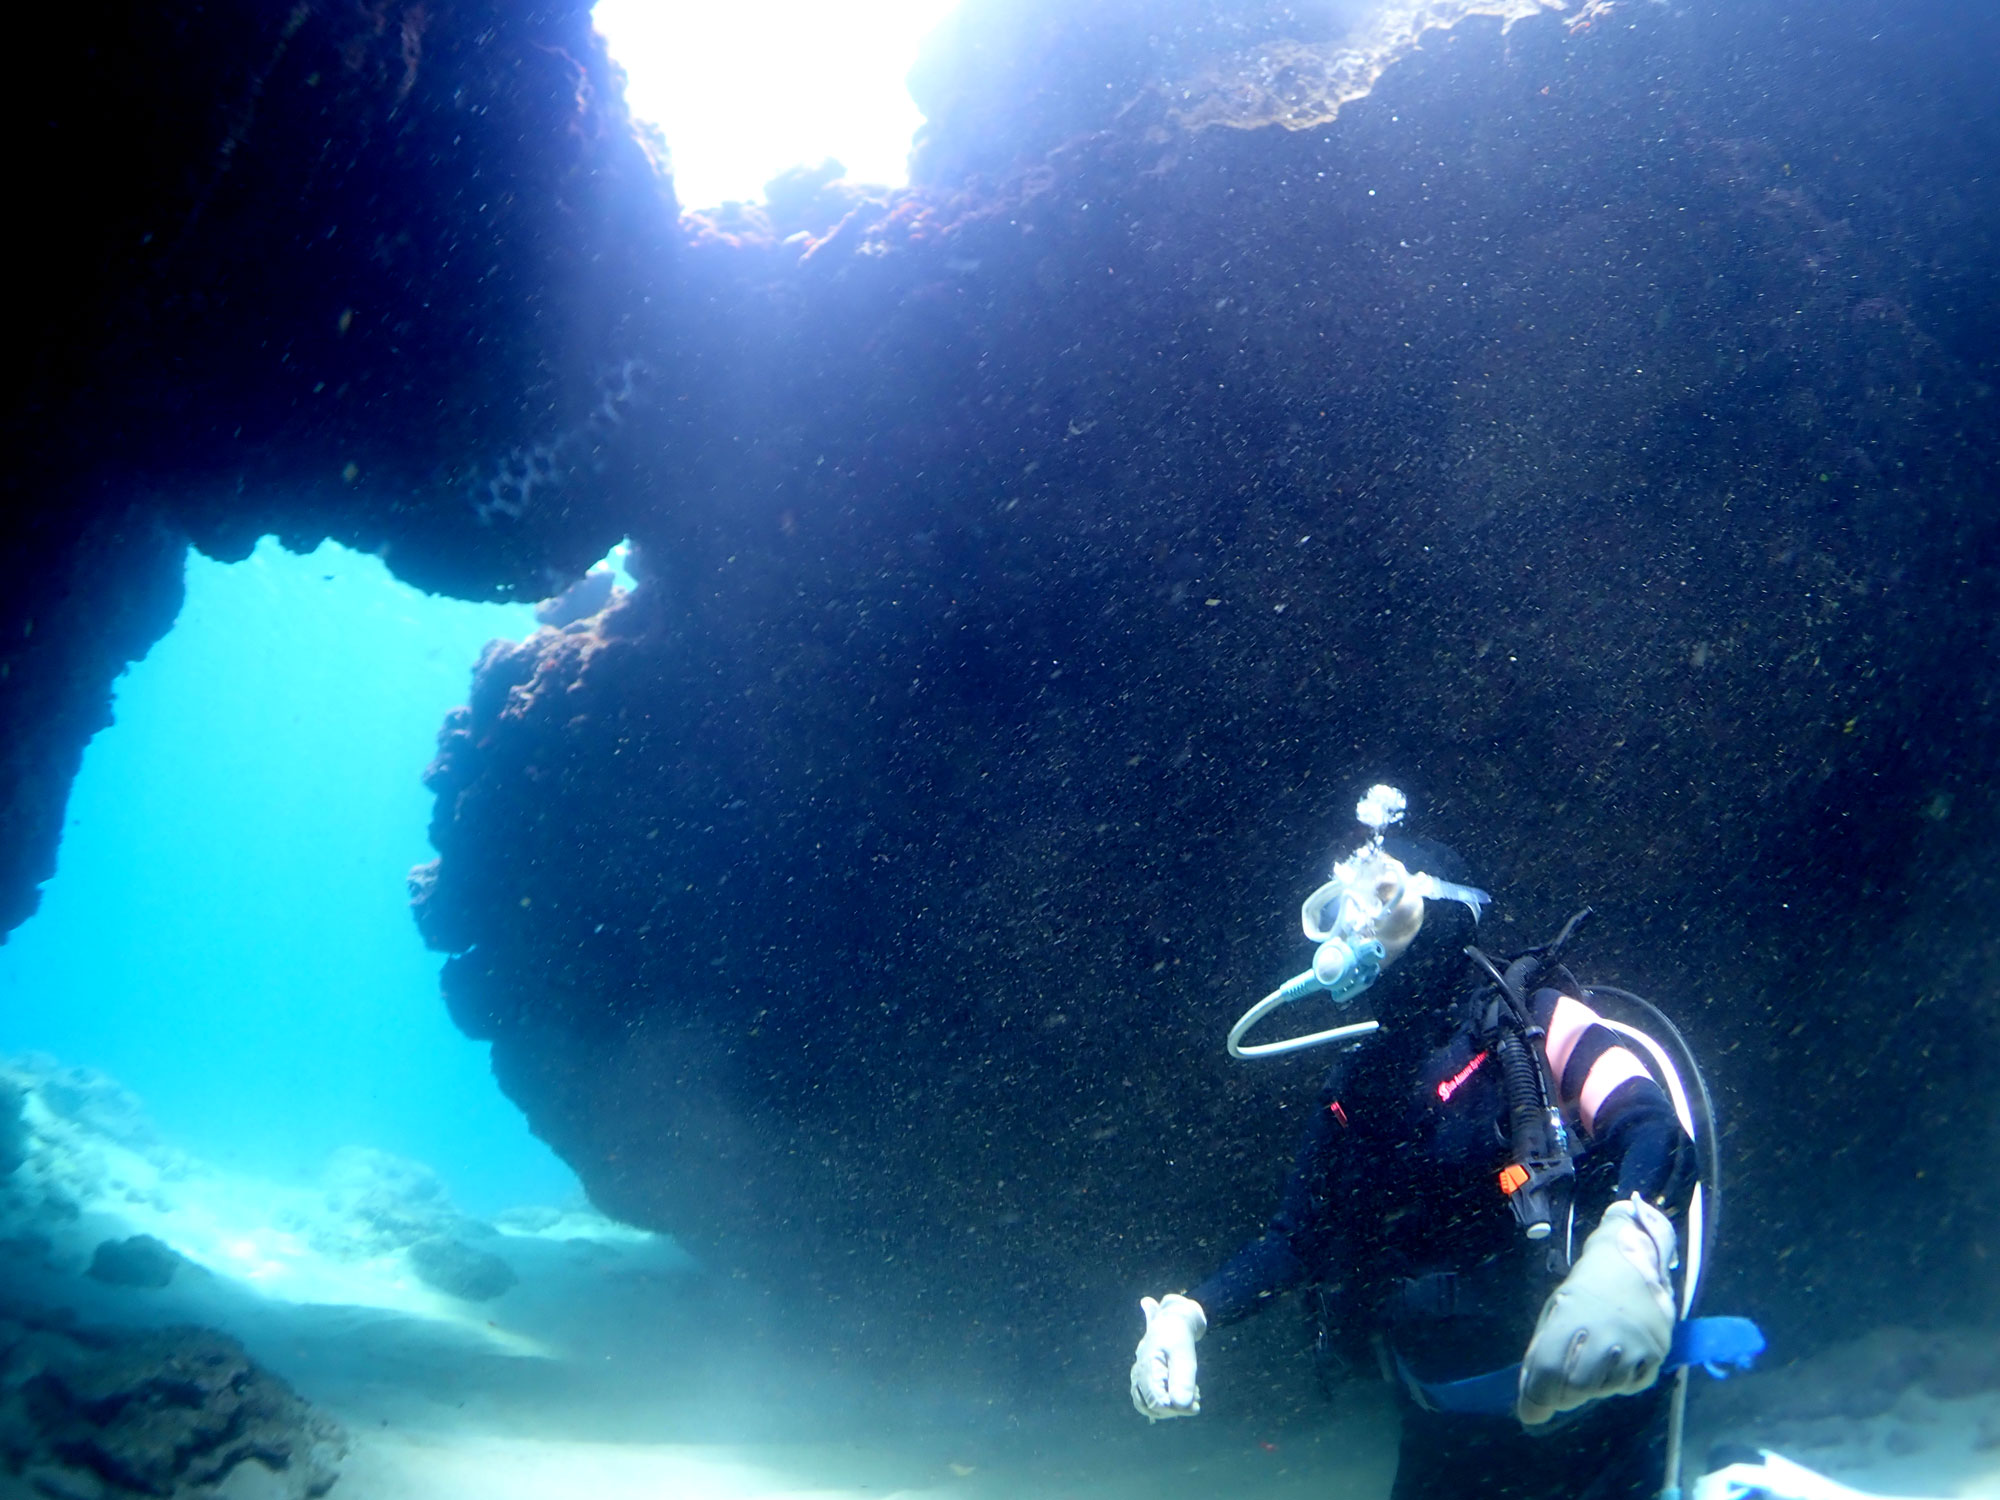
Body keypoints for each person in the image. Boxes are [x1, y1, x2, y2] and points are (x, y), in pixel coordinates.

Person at [1130, 787, 1704, 1500]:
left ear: (1443, 906)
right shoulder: (1358, 1087)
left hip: (1590, 1414)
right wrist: (1189, 1313)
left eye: (1381, 897)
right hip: (1441, 1431)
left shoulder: (1528, 1021)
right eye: (1338, 910)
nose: (1355, 925)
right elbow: (1295, 1241)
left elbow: (1650, 1124)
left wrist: (1630, 1248)